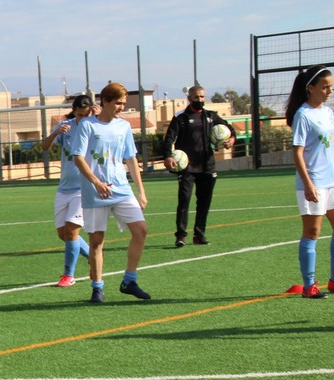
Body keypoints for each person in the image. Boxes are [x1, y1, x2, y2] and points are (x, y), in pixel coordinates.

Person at [71, 82, 150, 304]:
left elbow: (131, 159)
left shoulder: (123, 127)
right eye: (117, 103)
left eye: (124, 103)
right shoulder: (87, 125)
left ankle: (129, 281)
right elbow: (78, 157)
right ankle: (97, 288)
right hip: (95, 192)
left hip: (122, 190)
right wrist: (96, 182)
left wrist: (141, 191)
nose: (121, 107)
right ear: (104, 102)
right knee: (96, 241)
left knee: (141, 230)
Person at [286, 65, 334, 299]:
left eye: (331, 87)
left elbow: (331, 150)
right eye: (325, 86)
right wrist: (308, 184)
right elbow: (298, 153)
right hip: (314, 182)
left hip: (332, 182)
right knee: (312, 232)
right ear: (311, 87)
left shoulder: (327, 113)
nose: (329, 91)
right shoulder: (303, 115)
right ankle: (309, 287)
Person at [163, 85, 236, 247]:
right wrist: (168, 156)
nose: (200, 100)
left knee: (204, 201)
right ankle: (181, 236)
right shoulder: (180, 117)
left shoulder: (211, 116)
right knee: (184, 200)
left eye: (202, 97)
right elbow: (169, 139)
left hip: (207, 166)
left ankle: (199, 235)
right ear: (189, 98)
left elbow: (230, 129)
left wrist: (231, 140)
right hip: (187, 167)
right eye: (196, 97)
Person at [40, 95, 97, 286]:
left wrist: (97, 120)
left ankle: (68, 275)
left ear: (91, 111)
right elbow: (44, 147)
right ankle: (92, 258)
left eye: (85, 114)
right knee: (63, 234)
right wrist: (56, 133)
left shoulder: (95, 126)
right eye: (78, 114)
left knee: (72, 231)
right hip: (64, 188)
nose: (81, 118)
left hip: (84, 188)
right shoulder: (66, 126)